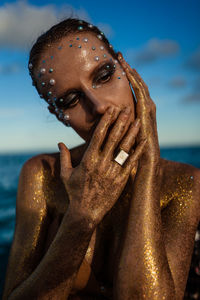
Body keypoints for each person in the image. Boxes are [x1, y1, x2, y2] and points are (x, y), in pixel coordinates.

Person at [2, 18, 200, 300]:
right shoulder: (43, 174)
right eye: (70, 100)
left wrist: (148, 168)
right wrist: (81, 217)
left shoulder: (185, 182)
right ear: (58, 114)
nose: (99, 106)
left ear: (124, 67)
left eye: (104, 75)